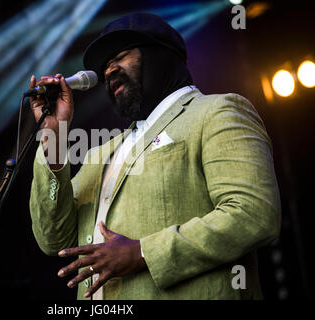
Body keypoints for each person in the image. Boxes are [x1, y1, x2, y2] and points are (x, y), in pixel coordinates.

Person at [28, 13, 281, 300]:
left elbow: (253, 214)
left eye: (120, 56)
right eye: (104, 66)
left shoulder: (216, 111)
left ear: (160, 55)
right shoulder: (99, 153)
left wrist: (144, 253)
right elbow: (53, 239)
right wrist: (54, 137)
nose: (109, 71)